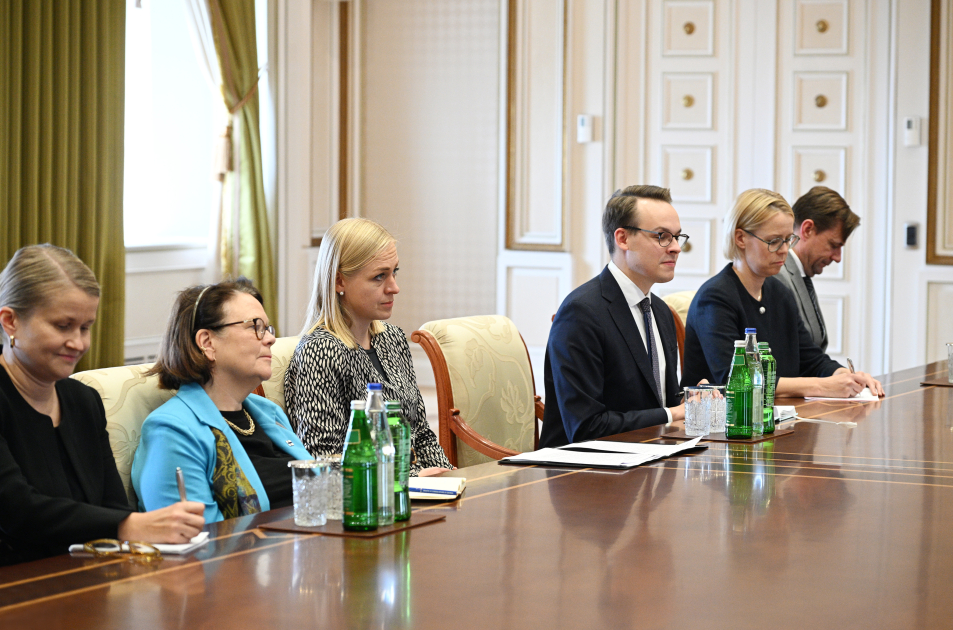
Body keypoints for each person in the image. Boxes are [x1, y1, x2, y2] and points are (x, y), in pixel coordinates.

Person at [0, 244, 204, 566]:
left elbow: (113, 506)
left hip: (89, 577)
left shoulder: (83, 400)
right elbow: (16, 511)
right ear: (10, 321)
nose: (78, 343)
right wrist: (130, 526)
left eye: (85, 327)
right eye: (62, 326)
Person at [132, 278, 312, 523]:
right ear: (207, 343)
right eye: (255, 327)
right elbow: (199, 538)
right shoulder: (172, 431)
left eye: (267, 329)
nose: (270, 339)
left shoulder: (269, 412)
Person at [284, 218, 451, 476]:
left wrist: (450, 477)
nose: (394, 287)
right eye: (379, 277)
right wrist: (414, 479)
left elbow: (421, 433)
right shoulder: (319, 352)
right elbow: (324, 461)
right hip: (366, 497)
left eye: (394, 272)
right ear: (339, 281)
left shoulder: (393, 339)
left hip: (417, 491)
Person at [682, 189, 884, 397]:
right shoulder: (715, 298)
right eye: (774, 241)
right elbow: (735, 380)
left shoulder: (779, 292)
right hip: (722, 415)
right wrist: (822, 386)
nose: (784, 250)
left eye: (788, 240)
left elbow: (811, 359)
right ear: (741, 238)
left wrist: (846, 375)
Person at [539, 185, 691, 449]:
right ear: (623, 239)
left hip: (650, 458)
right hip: (582, 468)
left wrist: (692, 399)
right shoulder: (581, 313)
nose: (676, 248)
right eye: (663, 237)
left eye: (677, 237)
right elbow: (586, 427)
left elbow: (657, 402)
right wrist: (673, 414)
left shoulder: (660, 311)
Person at [775, 186, 860, 352]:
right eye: (834, 245)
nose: (838, 258)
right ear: (807, 230)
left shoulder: (800, 275)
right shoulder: (778, 277)